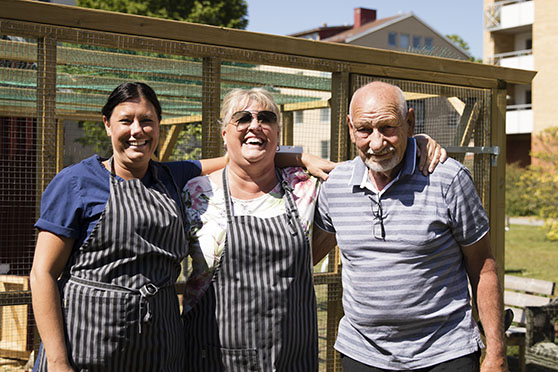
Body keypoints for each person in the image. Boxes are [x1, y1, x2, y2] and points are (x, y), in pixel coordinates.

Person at [29, 82, 332, 372]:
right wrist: (57, 362)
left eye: (147, 121)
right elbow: (42, 273)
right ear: (108, 124)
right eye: (126, 121)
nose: (137, 131)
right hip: (89, 348)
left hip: (159, 351)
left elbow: (237, 158)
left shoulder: (173, 177)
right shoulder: (76, 182)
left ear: (158, 126)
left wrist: (300, 156)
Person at [181, 87, 446, 371]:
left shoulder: (305, 186)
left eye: (266, 118)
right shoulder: (195, 192)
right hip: (212, 356)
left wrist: (414, 141)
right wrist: (299, 155)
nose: (255, 125)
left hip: (291, 357)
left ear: (278, 133)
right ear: (224, 133)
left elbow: (373, 163)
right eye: (242, 118)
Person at [313, 81, 507, 372]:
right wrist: (293, 156)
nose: (376, 143)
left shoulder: (447, 180)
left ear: (410, 122)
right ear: (350, 128)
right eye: (364, 129)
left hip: (445, 352)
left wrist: (496, 352)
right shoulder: (336, 185)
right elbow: (306, 255)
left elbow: (483, 266)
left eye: (388, 127)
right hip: (363, 352)